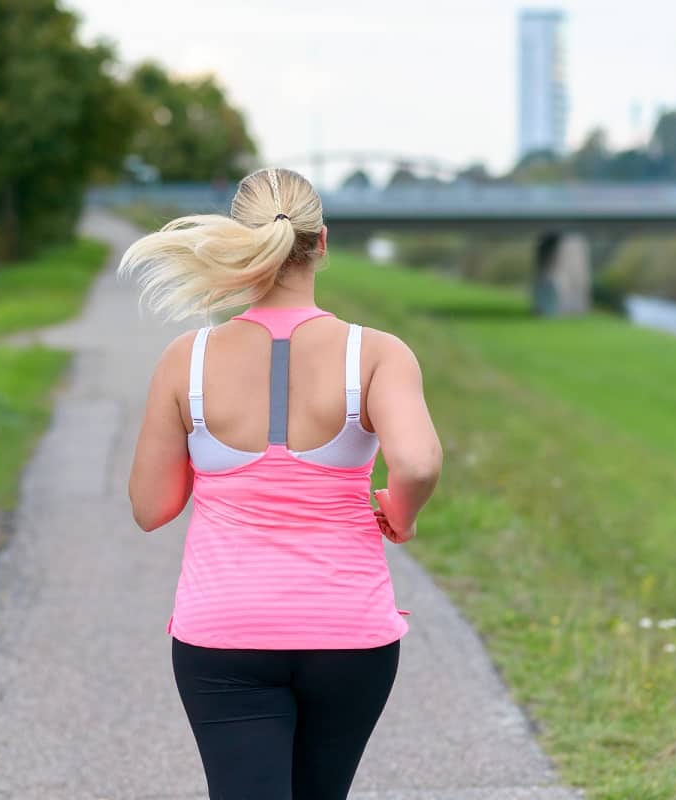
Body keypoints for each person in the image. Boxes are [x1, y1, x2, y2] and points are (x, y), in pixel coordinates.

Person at [117, 167, 443, 799]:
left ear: (242, 243)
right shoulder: (376, 354)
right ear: (322, 242)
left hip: (225, 634)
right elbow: (420, 464)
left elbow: (151, 507)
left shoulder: (188, 359)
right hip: (348, 634)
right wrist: (401, 514)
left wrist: (216, 459)